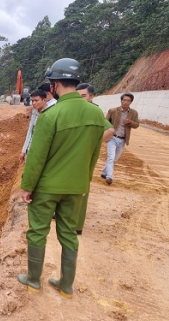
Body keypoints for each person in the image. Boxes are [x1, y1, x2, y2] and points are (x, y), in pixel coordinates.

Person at [17, 58, 106, 299]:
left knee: (37, 231)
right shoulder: (96, 114)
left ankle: (33, 280)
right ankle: (66, 285)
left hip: (47, 187)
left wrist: (27, 187)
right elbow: (94, 154)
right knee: (68, 233)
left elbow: (37, 157)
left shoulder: (50, 115)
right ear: (76, 83)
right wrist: (84, 183)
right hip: (76, 187)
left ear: (54, 85)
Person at [74, 83, 115, 235]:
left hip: (84, 156)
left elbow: (110, 130)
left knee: (82, 186)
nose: (81, 99)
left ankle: (77, 224)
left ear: (91, 97)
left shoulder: (94, 112)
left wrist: (93, 144)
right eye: (78, 96)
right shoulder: (77, 110)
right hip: (73, 154)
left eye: (84, 96)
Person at [101, 93, 139, 185]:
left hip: (123, 139)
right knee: (111, 157)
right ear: (121, 101)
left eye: (128, 101)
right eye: (124, 100)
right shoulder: (113, 111)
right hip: (112, 138)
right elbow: (105, 122)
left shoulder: (134, 113)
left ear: (131, 102)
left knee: (115, 159)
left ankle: (104, 172)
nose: (126, 102)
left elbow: (137, 125)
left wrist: (130, 122)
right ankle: (109, 176)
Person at [19, 89, 48, 163]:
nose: (34, 103)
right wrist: (24, 150)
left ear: (44, 100)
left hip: (43, 152)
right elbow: (30, 132)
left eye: (36, 100)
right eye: (32, 101)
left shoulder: (50, 113)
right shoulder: (34, 112)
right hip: (31, 150)